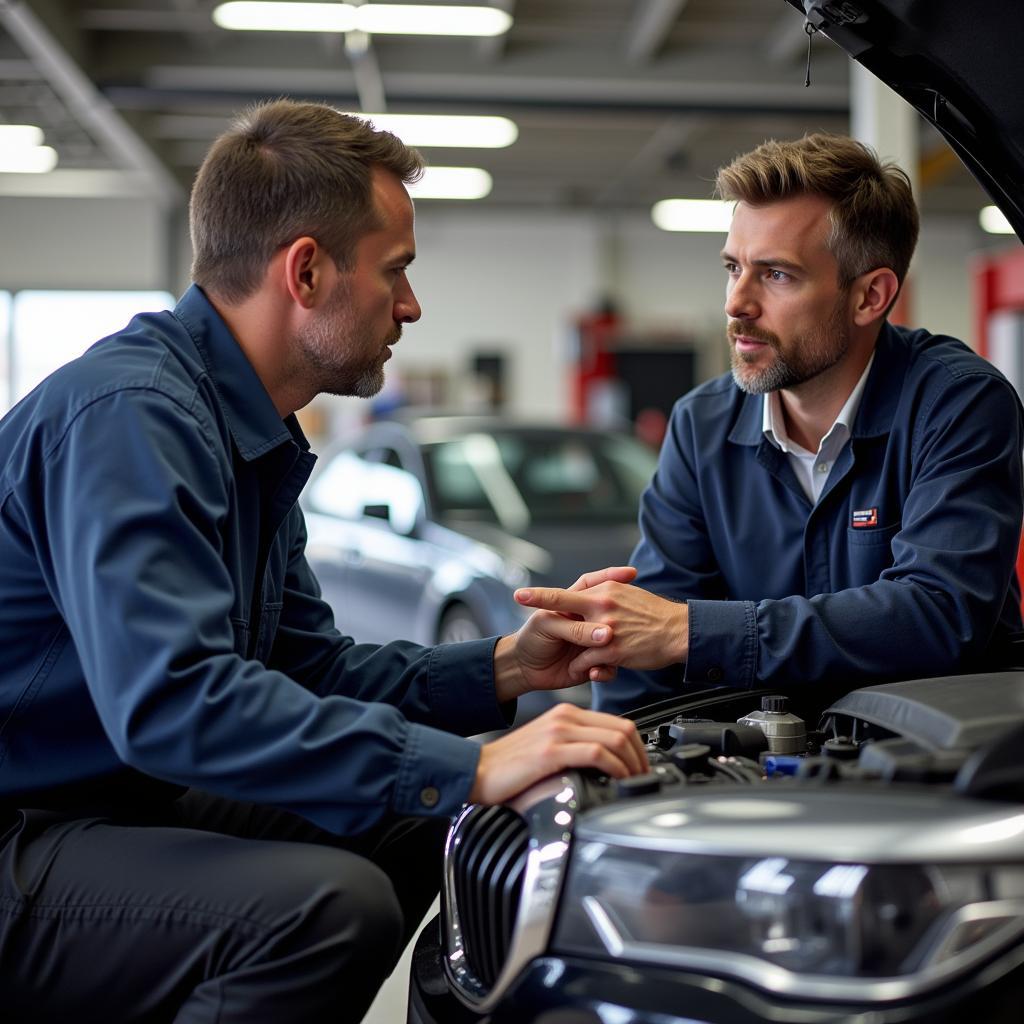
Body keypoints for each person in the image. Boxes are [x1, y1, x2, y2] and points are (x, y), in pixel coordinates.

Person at [0, 99, 649, 1023]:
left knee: (426, 812)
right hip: (24, 827)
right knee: (320, 912)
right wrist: (471, 766)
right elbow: (171, 700)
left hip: (103, 801)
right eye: (397, 272)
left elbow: (310, 667)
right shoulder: (132, 417)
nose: (413, 306)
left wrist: (508, 667)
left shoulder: (243, 432)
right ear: (306, 271)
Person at [515, 132, 1024, 714]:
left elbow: (937, 614)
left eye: (776, 274)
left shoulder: (957, 404)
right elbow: (641, 644)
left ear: (870, 296)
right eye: (734, 267)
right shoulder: (701, 426)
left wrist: (691, 631)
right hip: (756, 778)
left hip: (938, 768)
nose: (737, 302)